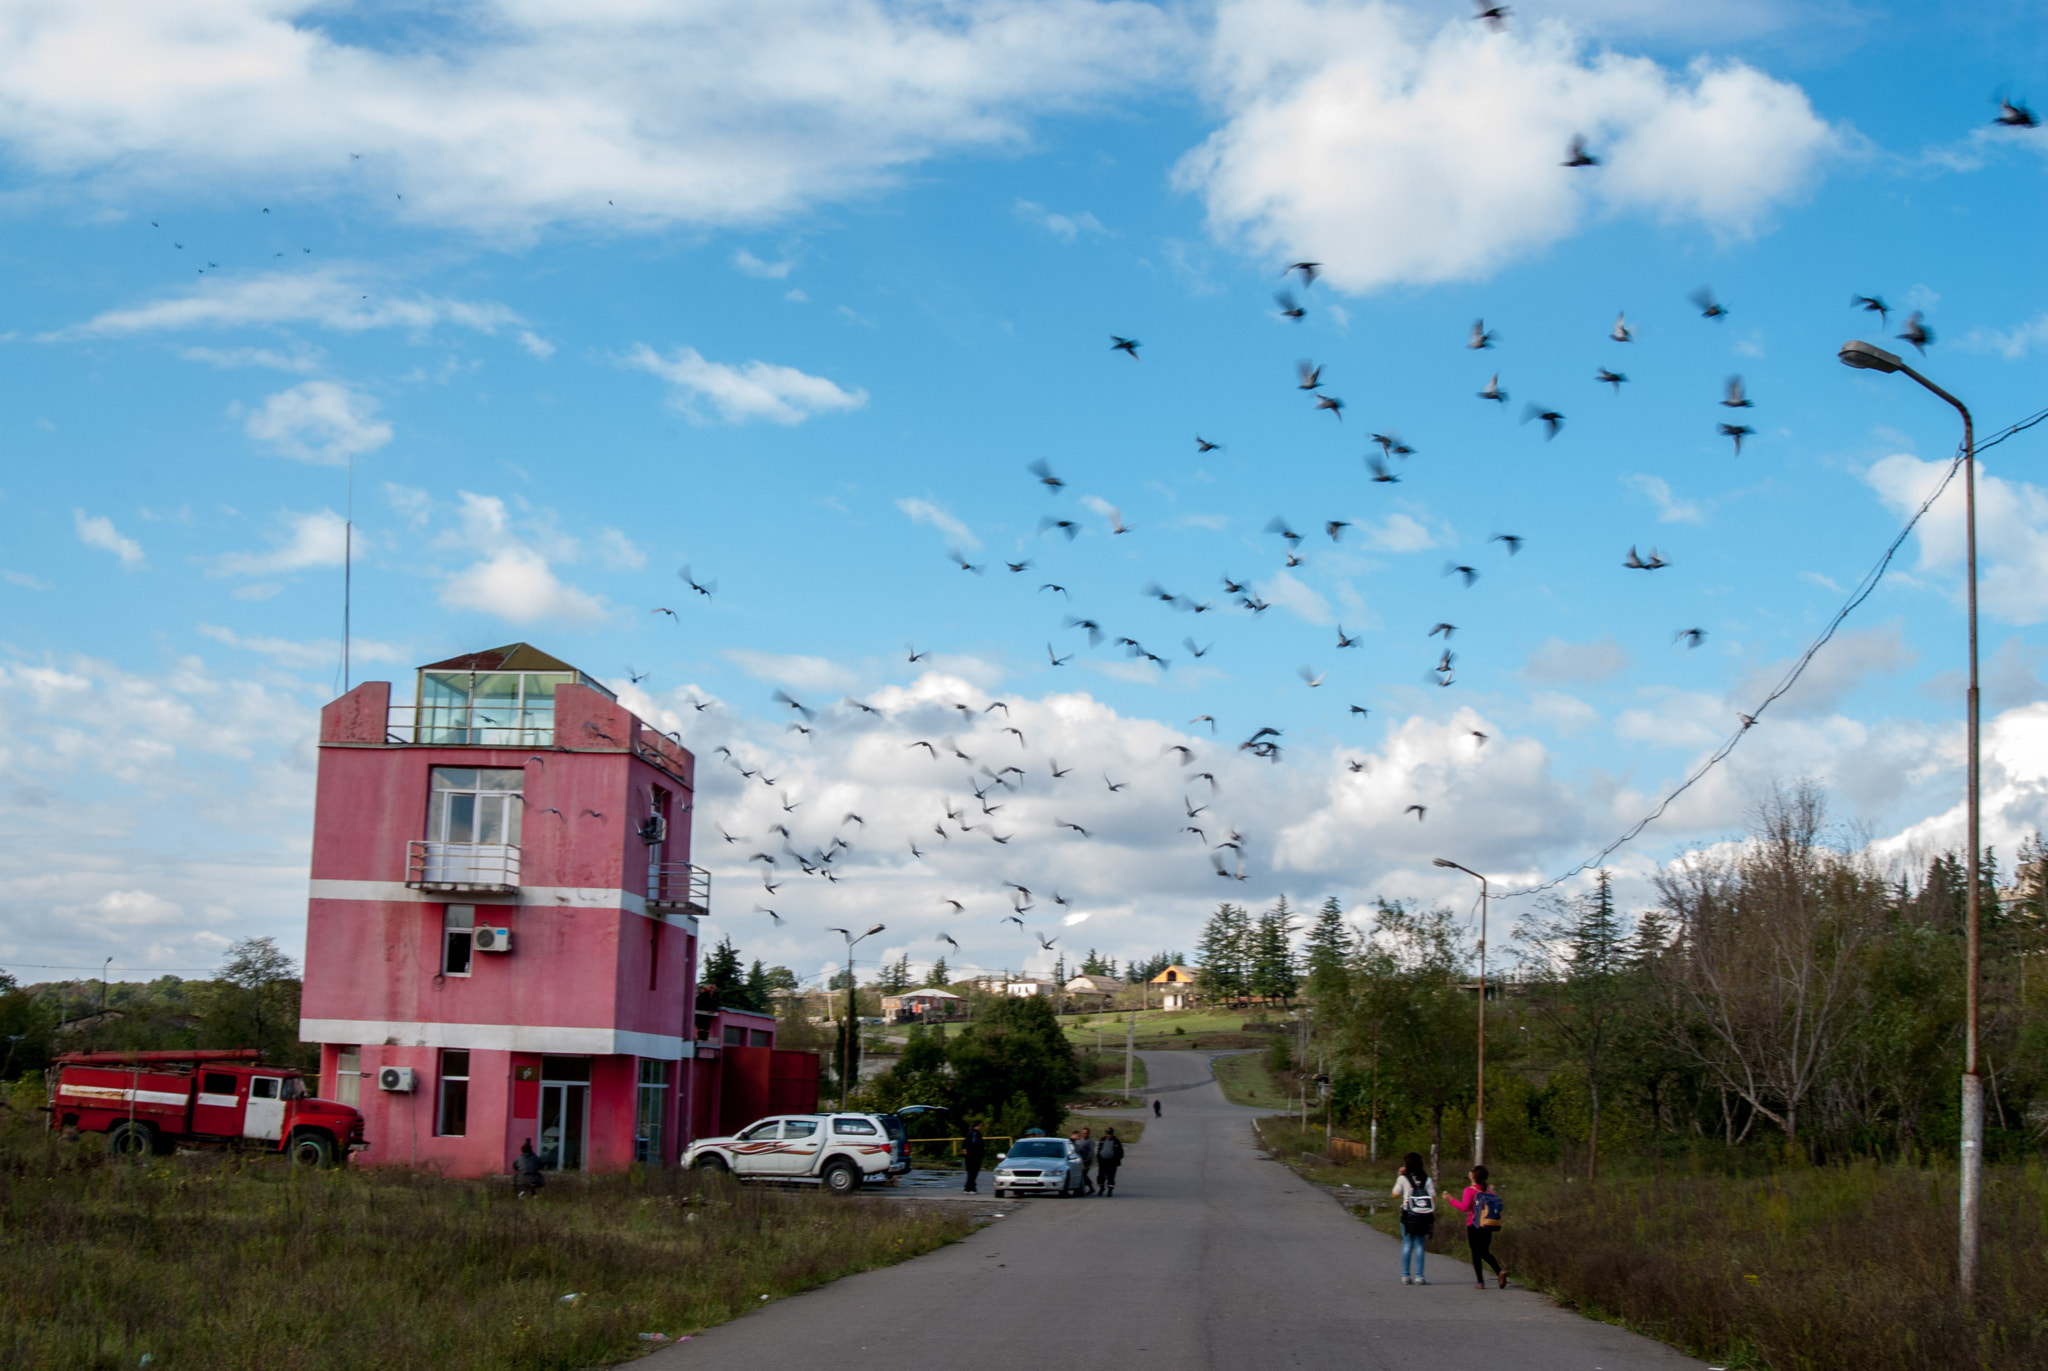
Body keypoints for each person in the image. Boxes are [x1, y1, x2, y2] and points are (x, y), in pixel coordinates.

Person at [1443, 1164, 1508, 1289]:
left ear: (1473, 1176)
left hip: (1473, 1225)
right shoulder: (1487, 1191)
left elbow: (1464, 1207)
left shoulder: (1470, 1190)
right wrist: (1492, 1191)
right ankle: (1499, 1272)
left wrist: (1450, 1199)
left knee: (1476, 1253)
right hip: (1487, 1225)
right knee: (1484, 1251)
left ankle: (1480, 1282)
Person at [1391, 1152, 1436, 1285]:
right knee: (1420, 1245)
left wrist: (1400, 1176)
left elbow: (1395, 1194)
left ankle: (1405, 1276)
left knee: (1407, 1244)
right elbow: (1433, 1198)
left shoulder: (1403, 1179)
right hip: (1422, 1215)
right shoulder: (1427, 1179)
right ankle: (1419, 1276)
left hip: (1407, 1214)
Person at [1096, 1127, 1124, 1196]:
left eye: (1110, 1134)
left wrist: (1116, 1160)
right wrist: (1099, 1158)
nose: (1109, 1135)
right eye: (1108, 1134)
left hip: (1112, 1162)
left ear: (1112, 1134)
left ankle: (1110, 1190)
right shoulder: (1102, 1139)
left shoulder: (1116, 1141)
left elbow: (1121, 1153)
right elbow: (1099, 1149)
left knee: (1110, 1176)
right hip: (1103, 1162)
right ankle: (1101, 1187)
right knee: (1100, 1176)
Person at [962, 1121, 986, 1194]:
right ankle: (971, 1188)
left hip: (969, 1156)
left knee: (970, 1172)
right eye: (980, 1126)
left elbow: (964, 1145)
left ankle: (968, 1188)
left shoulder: (969, 1133)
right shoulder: (975, 1134)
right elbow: (977, 1145)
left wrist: (965, 1151)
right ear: (977, 1126)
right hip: (975, 1156)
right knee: (973, 1172)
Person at [1075, 1126, 1097, 1195]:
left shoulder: (1090, 1141)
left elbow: (1091, 1152)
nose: (1084, 1134)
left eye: (1086, 1133)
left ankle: (1088, 1187)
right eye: (1083, 1133)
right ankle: (1089, 1187)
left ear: (1088, 1133)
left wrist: (1088, 1159)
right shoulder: (1080, 1141)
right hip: (1080, 1161)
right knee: (1082, 1175)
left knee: (1083, 1174)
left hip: (1086, 1161)